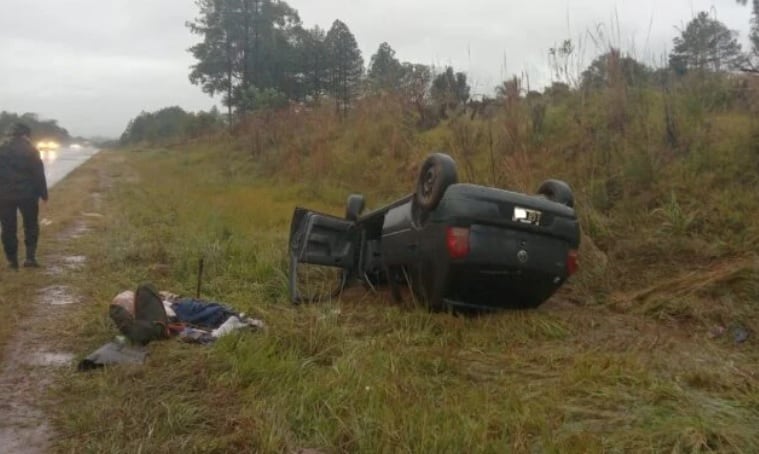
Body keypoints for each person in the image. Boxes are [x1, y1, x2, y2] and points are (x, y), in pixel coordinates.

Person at [0, 123, 48, 269]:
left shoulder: (1, 149)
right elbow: (38, 174)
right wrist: (43, 193)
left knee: (8, 228)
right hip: (28, 195)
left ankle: (12, 261)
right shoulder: (31, 149)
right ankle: (30, 258)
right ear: (26, 135)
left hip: (4, 196)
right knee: (31, 225)